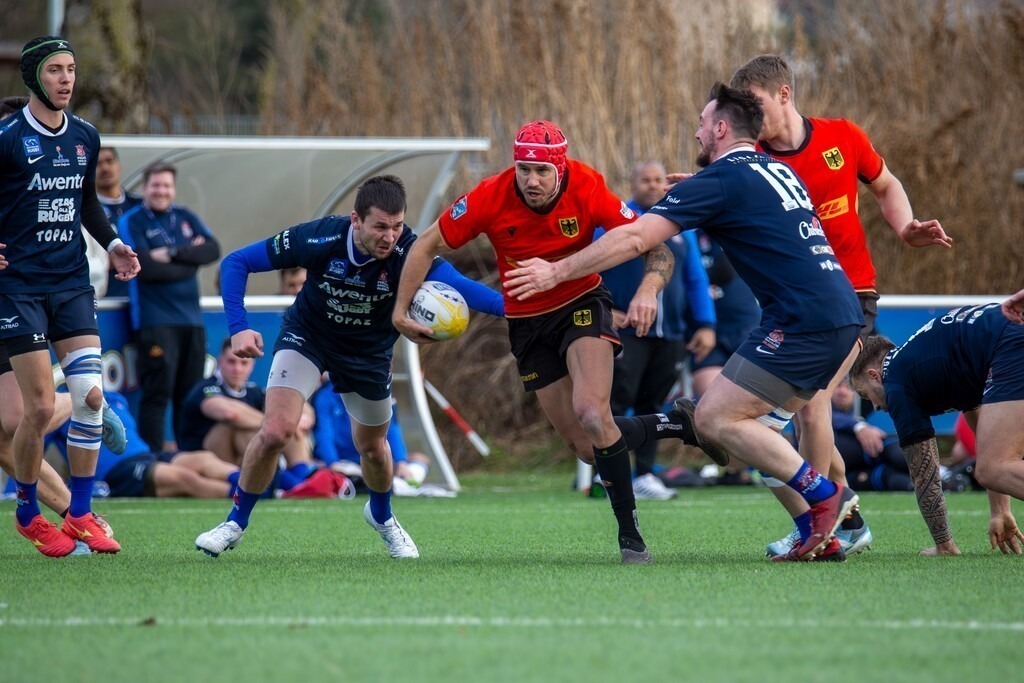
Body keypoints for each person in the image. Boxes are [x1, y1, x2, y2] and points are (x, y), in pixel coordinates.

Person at [504, 85, 868, 562]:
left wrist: (556, 270)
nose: (696, 130)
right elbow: (755, 220)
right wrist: (699, 195)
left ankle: (829, 498)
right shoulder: (772, 168)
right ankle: (818, 532)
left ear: (720, 128)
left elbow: (635, 237)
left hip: (805, 321)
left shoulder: (721, 181)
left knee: (715, 417)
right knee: (759, 435)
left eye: (701, 122)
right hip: (839, 315)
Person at [393, 120, 690, 565]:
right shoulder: (489, 196)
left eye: (541, 172)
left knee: (593, 412)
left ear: (560, 168)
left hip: (581, 302)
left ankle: (631, 538)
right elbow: (424, 245)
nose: (531, 180)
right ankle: (677, 424)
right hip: (527, 323)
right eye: (523, 169)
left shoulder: (588, 186)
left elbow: (657, 245)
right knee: (587, 448)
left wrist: (648, 290)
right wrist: (400, 312)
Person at [195, 175, 504, 559]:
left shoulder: (410, 251)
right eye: (380, 226)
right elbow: (237, 262)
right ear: (356, 220)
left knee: (373, 448)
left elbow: (466, 288)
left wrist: (518, 309)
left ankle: (382, 516)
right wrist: (239, 328)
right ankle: (234, 523)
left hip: (369, 354)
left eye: (397, 226)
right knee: (276, 430)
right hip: (309, 338)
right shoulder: (320, 238)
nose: (389, 237)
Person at [730, 54, 952, 556]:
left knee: (812, 407)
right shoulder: (754, 159)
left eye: (756, 103)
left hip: (852, 296)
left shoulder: (842, 137)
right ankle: (847, 520)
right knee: (777, 420)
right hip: (791, 306)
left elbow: (886, 184)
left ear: (784, 94)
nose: (749, 114)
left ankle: (817, 525)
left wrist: (905, 227)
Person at [0, 36, 140, 557]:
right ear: (34, 77)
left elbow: (87, 206)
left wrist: (116, 243)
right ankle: (28, 512)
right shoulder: (9, 137)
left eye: (72, 69)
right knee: (35, 410)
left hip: (72, 285)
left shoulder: (85, 136)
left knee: (89, 397)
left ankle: (80, 512)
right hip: (19, 290)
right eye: (56, 70)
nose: (66, 79)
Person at [849, 303, 1024, 555]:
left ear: (875, 375)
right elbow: (983, 441)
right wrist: (1001, 511)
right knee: (994, 464)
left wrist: (945, 545)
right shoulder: (934, 363)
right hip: (1011, 333)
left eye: (866, 395)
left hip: (1011, 343)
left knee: (992, 468)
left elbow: (924, 474)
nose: (875, 407)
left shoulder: (896, 382)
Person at [601, 161, 716, 500]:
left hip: (671, 334)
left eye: (658, 180)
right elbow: (591, 268)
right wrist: (606, 310)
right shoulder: (615, 223)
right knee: (617, 402)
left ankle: (646, 475)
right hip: (628, 332)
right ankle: (607, 475)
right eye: (645, 180)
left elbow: (696, 279)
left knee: (654, 405)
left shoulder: (683, 227)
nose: (653, 186)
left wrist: (706, 324)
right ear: (633, 184)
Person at [119, 161, 220, 452]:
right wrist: (190, 261)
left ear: (173, 189)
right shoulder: (132, 220)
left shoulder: (185, 215)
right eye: (155, 185)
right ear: (145, 188)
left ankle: (189, 458)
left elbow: (213, 249)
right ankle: (152, 462)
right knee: (157, 394)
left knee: (189, 396)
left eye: (166, 185)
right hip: (155, 322)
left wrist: (174, 253)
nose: (161, 191)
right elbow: (147, 268)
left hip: (191, 321)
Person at [49, 390, 242, 499]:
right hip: (118, 471)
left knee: (203, 458)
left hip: (147, 455)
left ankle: (250, 483)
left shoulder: (115, 398)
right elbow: (36, 448)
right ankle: (246, 495)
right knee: (185, 478)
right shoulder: (63, 407)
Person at [178, 338, 316, 486]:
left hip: (241, 461)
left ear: (252, 366)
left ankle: (302, 475)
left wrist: (303, 417)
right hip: (205, 463)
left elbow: (300, 405)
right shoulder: (206, 387)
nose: (237, 369)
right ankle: (289, 483)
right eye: (231, 362)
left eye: (244, 363)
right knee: (240, 426)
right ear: (220, 362)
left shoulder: (253, 390)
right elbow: (230, 413)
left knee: (289, 422)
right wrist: (277, 423)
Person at [311, 381, 429, 490]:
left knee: (420, 460)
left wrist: (401, 462)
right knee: (341, 473)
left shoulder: (379, 389)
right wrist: (332, 462)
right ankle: (395, 486)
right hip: (345, 462)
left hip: (375, 459)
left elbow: (392, 430)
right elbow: (324, 435)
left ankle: (394, 484)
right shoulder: (325, 395)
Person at [831, 378, 912, 495]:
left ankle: (940, 482)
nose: (842, 392)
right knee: (883, 446)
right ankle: (937, 472)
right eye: (838, 386)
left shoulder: (860, 409)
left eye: (848, 387)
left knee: (886, 473)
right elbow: (822, 417)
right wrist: (859, 427)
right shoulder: (818, 408)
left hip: (857, 473)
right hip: (827, 471)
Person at [95, 146, 143, 298]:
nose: (105, 168)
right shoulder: (85, 212)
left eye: (109, 161)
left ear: (119, 165)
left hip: (145, 299)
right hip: (107, 297)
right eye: (98, 164)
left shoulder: (140, 204)